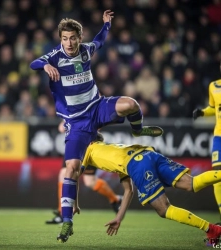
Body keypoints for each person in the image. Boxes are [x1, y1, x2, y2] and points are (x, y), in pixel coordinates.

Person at [30, 9, 163, 242]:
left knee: (131, 104)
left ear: (79, 38)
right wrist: (44, 66)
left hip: (96, 107)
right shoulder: (55, 57)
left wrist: (106, 25)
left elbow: (100, 40)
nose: (69, 43)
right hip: (77, 122)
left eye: (73, 38)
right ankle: (67, 222)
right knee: (70, 168)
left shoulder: (85, 50)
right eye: (64, 38)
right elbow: (34, 61)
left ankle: (138, 129)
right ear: (60, 39)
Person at [78, 139, 221, 246]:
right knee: (192, 183)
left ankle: (212, 229)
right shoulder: (111, 150)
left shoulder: (87, 148)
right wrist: (119, 218)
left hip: (138, 164)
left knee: (163, 209)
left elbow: (73, 174)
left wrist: (70, 205)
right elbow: (128, 191)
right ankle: (212, 229)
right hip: (148, 154)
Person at [46, 122, 122, 224]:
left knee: (90, 182)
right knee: (63, 175)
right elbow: (61, 127)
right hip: (73, 145)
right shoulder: (71, 110)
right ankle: (62, 213)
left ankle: (115, 199)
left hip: (88, 146)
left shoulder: (89, 109)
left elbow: (98, 124)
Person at [193, 61, 221, 219]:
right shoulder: (214, 86)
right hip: (219, 136)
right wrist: (202, 113)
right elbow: (214, 107)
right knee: (218, 175)